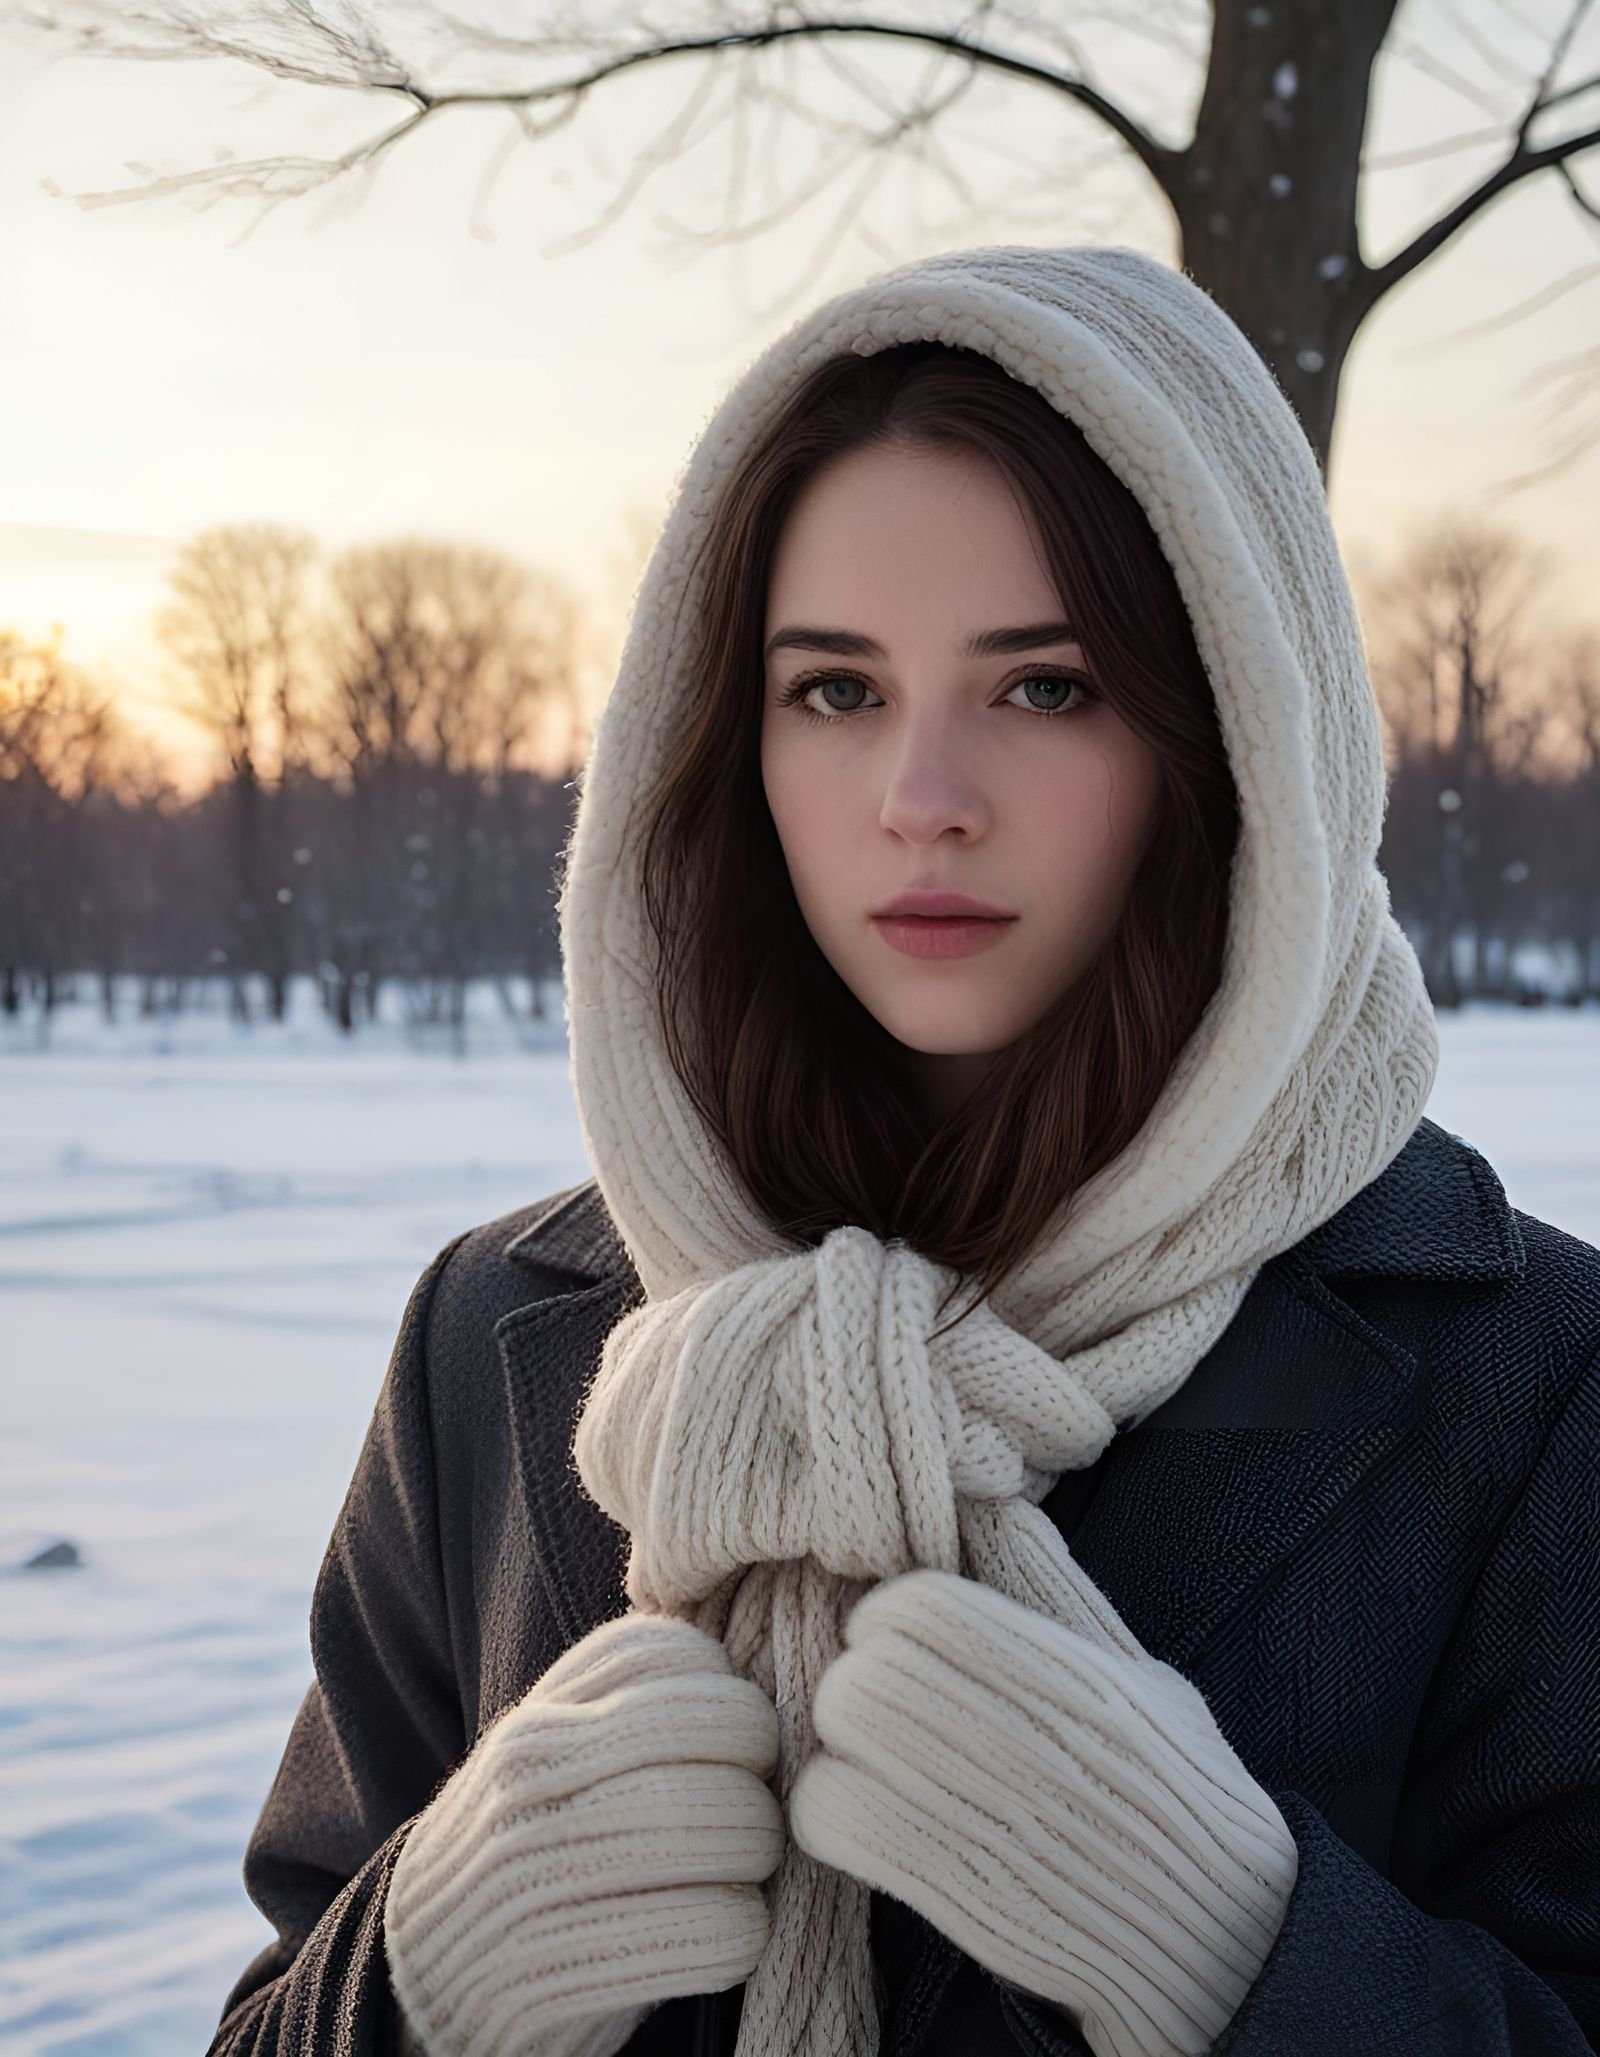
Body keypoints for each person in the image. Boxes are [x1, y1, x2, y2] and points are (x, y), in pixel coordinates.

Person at [208, 245, 1600, 2057]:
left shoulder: (1532, 1386)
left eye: (1045, 687)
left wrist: (1244, 1949)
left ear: (1239, 740)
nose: (920, 794)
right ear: (720, 742)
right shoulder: (494, 1340)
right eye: (835, 690)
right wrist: (426, 1967)